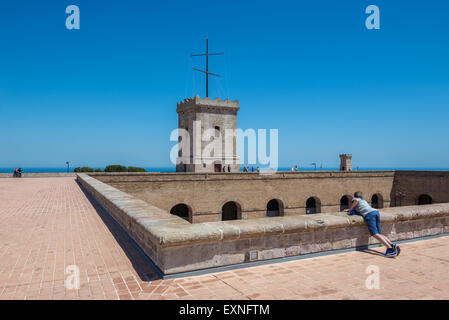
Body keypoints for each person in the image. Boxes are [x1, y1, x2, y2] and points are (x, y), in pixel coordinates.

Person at [345, 191, 400, 258]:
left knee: (374, 234)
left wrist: (350, 209)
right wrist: (353, 210)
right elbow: (358, 210)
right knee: (379, 234)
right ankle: (392, 245)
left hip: (369, 215)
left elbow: (356, 200)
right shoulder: (363, 201)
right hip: (375, 212)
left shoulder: (356, 199)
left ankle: (390, 249)